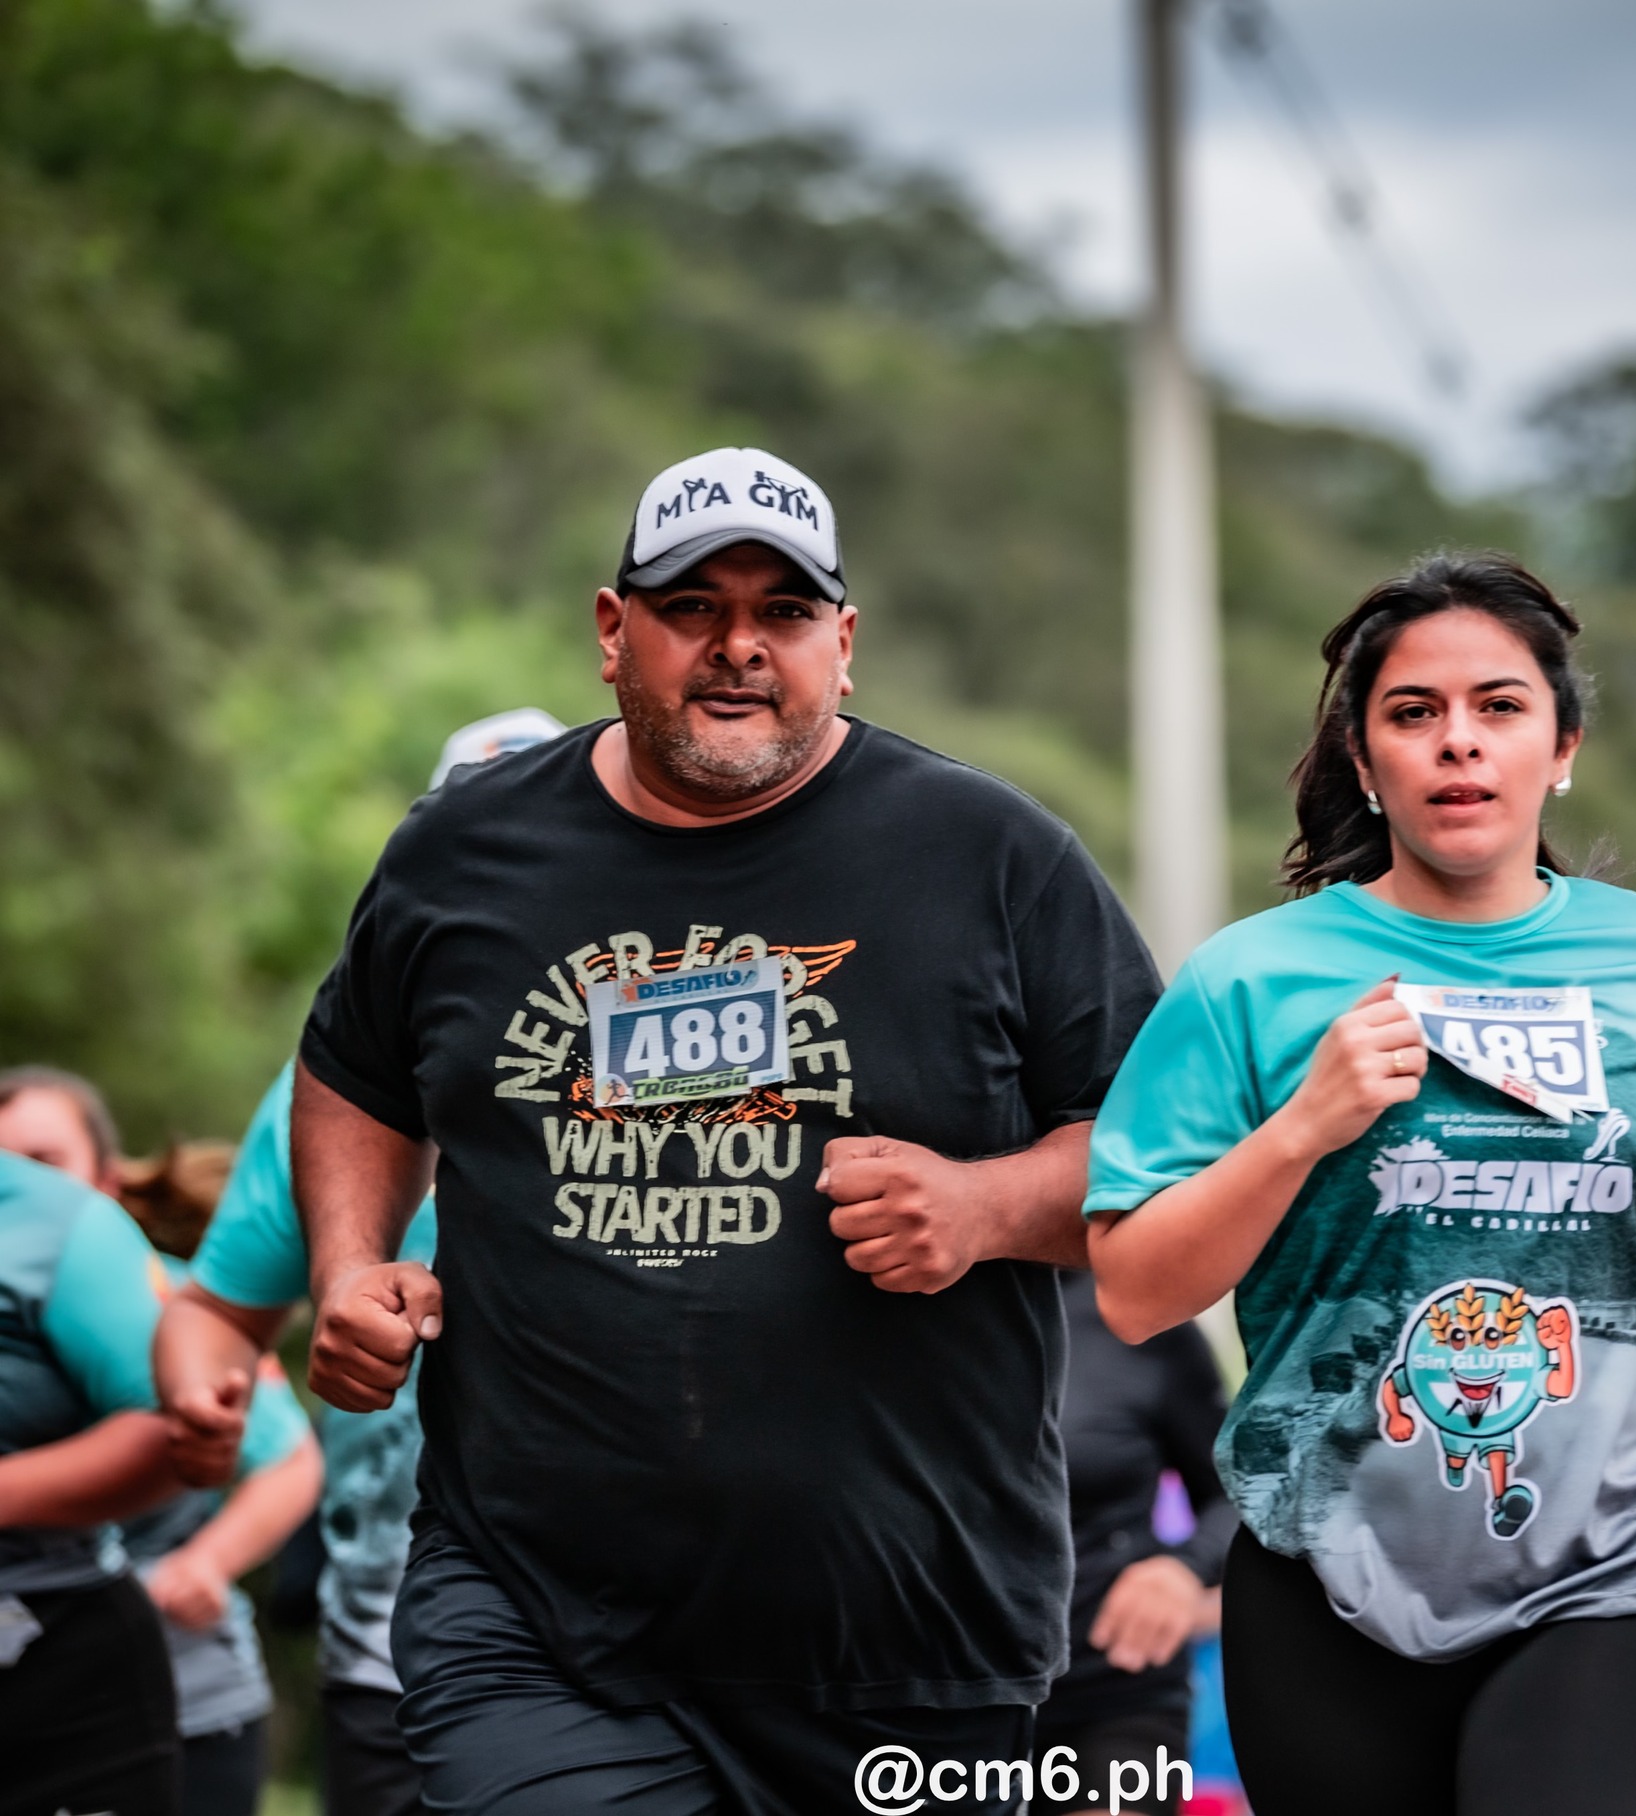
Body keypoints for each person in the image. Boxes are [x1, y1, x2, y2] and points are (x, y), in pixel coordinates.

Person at [286, 447, 1159, 1812]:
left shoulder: (993, 856)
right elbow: (352, 1069)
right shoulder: (463, 853)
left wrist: (987, 1208)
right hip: (539, 1618)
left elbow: (1164, 1148)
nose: (739, 647)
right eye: (693, 606)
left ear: (845, 644)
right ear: (611, 630)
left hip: (910, 1641)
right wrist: (346, 1263)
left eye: (785, 613)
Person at [1085, 554, 1636, 1816]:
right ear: (1365, 761)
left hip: (1611, 1557)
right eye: (1412, 713)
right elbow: (1135, 1290)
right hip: (1327, 1563)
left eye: (1499, 706)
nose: (1456, 741)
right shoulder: (1250, 979)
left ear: (1561, 744)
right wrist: (1302, 1125)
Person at [154, 709, 565, 1816]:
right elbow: (213, 1318)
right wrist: (201, 1394)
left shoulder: (670, 1054)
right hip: (394, 1653)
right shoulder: (323, 1100)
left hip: (646, 1650)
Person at [0, 1069, 321, 1816]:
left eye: (42, 1161)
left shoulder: (185, 1315)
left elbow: (287, 1459)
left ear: (105, 1181)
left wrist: (206, 1564)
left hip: (182, 1693)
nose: (19, 1181)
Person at [1034, 1270, 1236, 1816]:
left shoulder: (1141, 1316)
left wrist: (1184, 1569)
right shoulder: (901, 1307)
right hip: (928, 1695)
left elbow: (1239, 1492)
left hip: (1110, 1691)